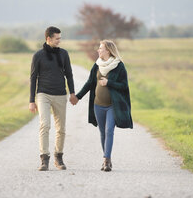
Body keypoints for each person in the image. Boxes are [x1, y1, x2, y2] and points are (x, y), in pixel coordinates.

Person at [71, 40, 133, 172]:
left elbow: (124, 86)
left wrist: (109, 82)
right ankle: (107, 158)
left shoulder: (119, 66)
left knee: (109, 130)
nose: (98, 50)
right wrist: (78, 97)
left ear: (108, 51)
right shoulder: (97, 65)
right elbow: (89, 83)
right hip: (97, 105)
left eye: (101, 48)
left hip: (112, 106)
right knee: (102, 132)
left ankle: (106, 160)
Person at [29, 26, 76, 171]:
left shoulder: (64, 54)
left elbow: (69, 74)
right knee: (45, 125)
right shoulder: (38, 56)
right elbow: (33, 78)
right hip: (43, 94)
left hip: (61, 94)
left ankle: (58, 157)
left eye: (60, 38)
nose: (59, 41)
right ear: (48, 39)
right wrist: (32, 100)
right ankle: (44, 159)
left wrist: (72, 93)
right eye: (57, 38)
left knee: (61, 129)